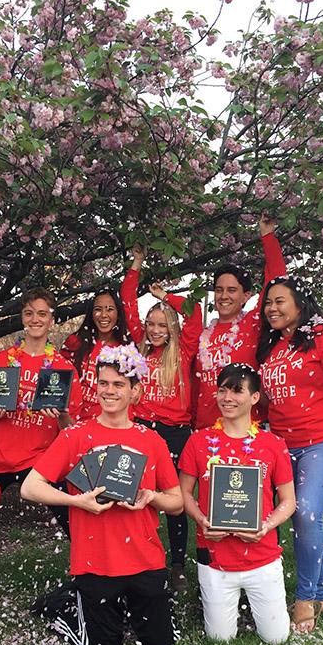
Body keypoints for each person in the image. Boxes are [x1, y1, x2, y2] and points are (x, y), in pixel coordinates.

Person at [21, 344, 183, 645]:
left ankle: (129, 606)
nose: (109, 391)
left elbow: (177, 502)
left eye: (119, 385)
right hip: (96, 562)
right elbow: (30, 487)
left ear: (135, 391)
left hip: (145, 559)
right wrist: (76, 501)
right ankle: (66, 604)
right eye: (104, 383)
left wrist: (151, 497)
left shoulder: (152, 440)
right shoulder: (75, 436)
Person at [256, 276, 323, 633]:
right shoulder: (271, 349)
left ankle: (305, 601)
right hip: (285, 444)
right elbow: (268, 404)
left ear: (300, 305)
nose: (272, 308)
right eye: (268, 302)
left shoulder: (322, 334)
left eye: (280, 301)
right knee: (307, 517)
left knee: (306, 512)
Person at [179, 363, 295, 644]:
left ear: (255, 397)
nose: (227, 398)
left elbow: (289, 501)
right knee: (220, 638)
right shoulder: (199, 441)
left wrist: (266, 526)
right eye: (222, 390)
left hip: (262, 557)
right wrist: (202, 521)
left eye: (236, 391)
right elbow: (183, 494)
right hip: (216, 558)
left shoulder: (272, 443)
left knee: (277, 638)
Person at [0, 287, 82, 556]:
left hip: (40, 460)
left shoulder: (63, 368)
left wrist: (61, 415)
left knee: (73, 520)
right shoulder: (1, 361)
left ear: (52, 319)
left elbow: (71, 429)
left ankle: (92, 574)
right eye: (29, 313)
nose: (35, 319)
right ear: (22, 318)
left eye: (42, 313)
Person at [120, 244, 202, 590]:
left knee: (175, 500)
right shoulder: (138, 349)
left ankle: (178, 562)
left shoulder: (183, 349)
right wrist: (136, 263)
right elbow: (126, 299)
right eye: (151, 324)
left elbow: (196, 311)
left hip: (175, 432)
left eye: (161, 325)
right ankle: (135, 554)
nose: (154, 330)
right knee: (134, 493)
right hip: (141, 430)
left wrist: (167, 296)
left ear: (171, 326)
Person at [193, 214, 287, 431]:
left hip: (245, 430)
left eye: (232, 290)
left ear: (246, 296)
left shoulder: (253, 323)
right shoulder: (204, 332)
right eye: (219, 290)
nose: (224, 296)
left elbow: (276, 280)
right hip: (204, 429)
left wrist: (267, 236)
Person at [61, 288, 130, 420]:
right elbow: (59, 383)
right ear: (91, 313)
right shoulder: (74, 342)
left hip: (106, 423)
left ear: (118, 313)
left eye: (110, 309)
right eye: (98, 309)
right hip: (70, 421)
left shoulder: (126, 350)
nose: (103, 315)